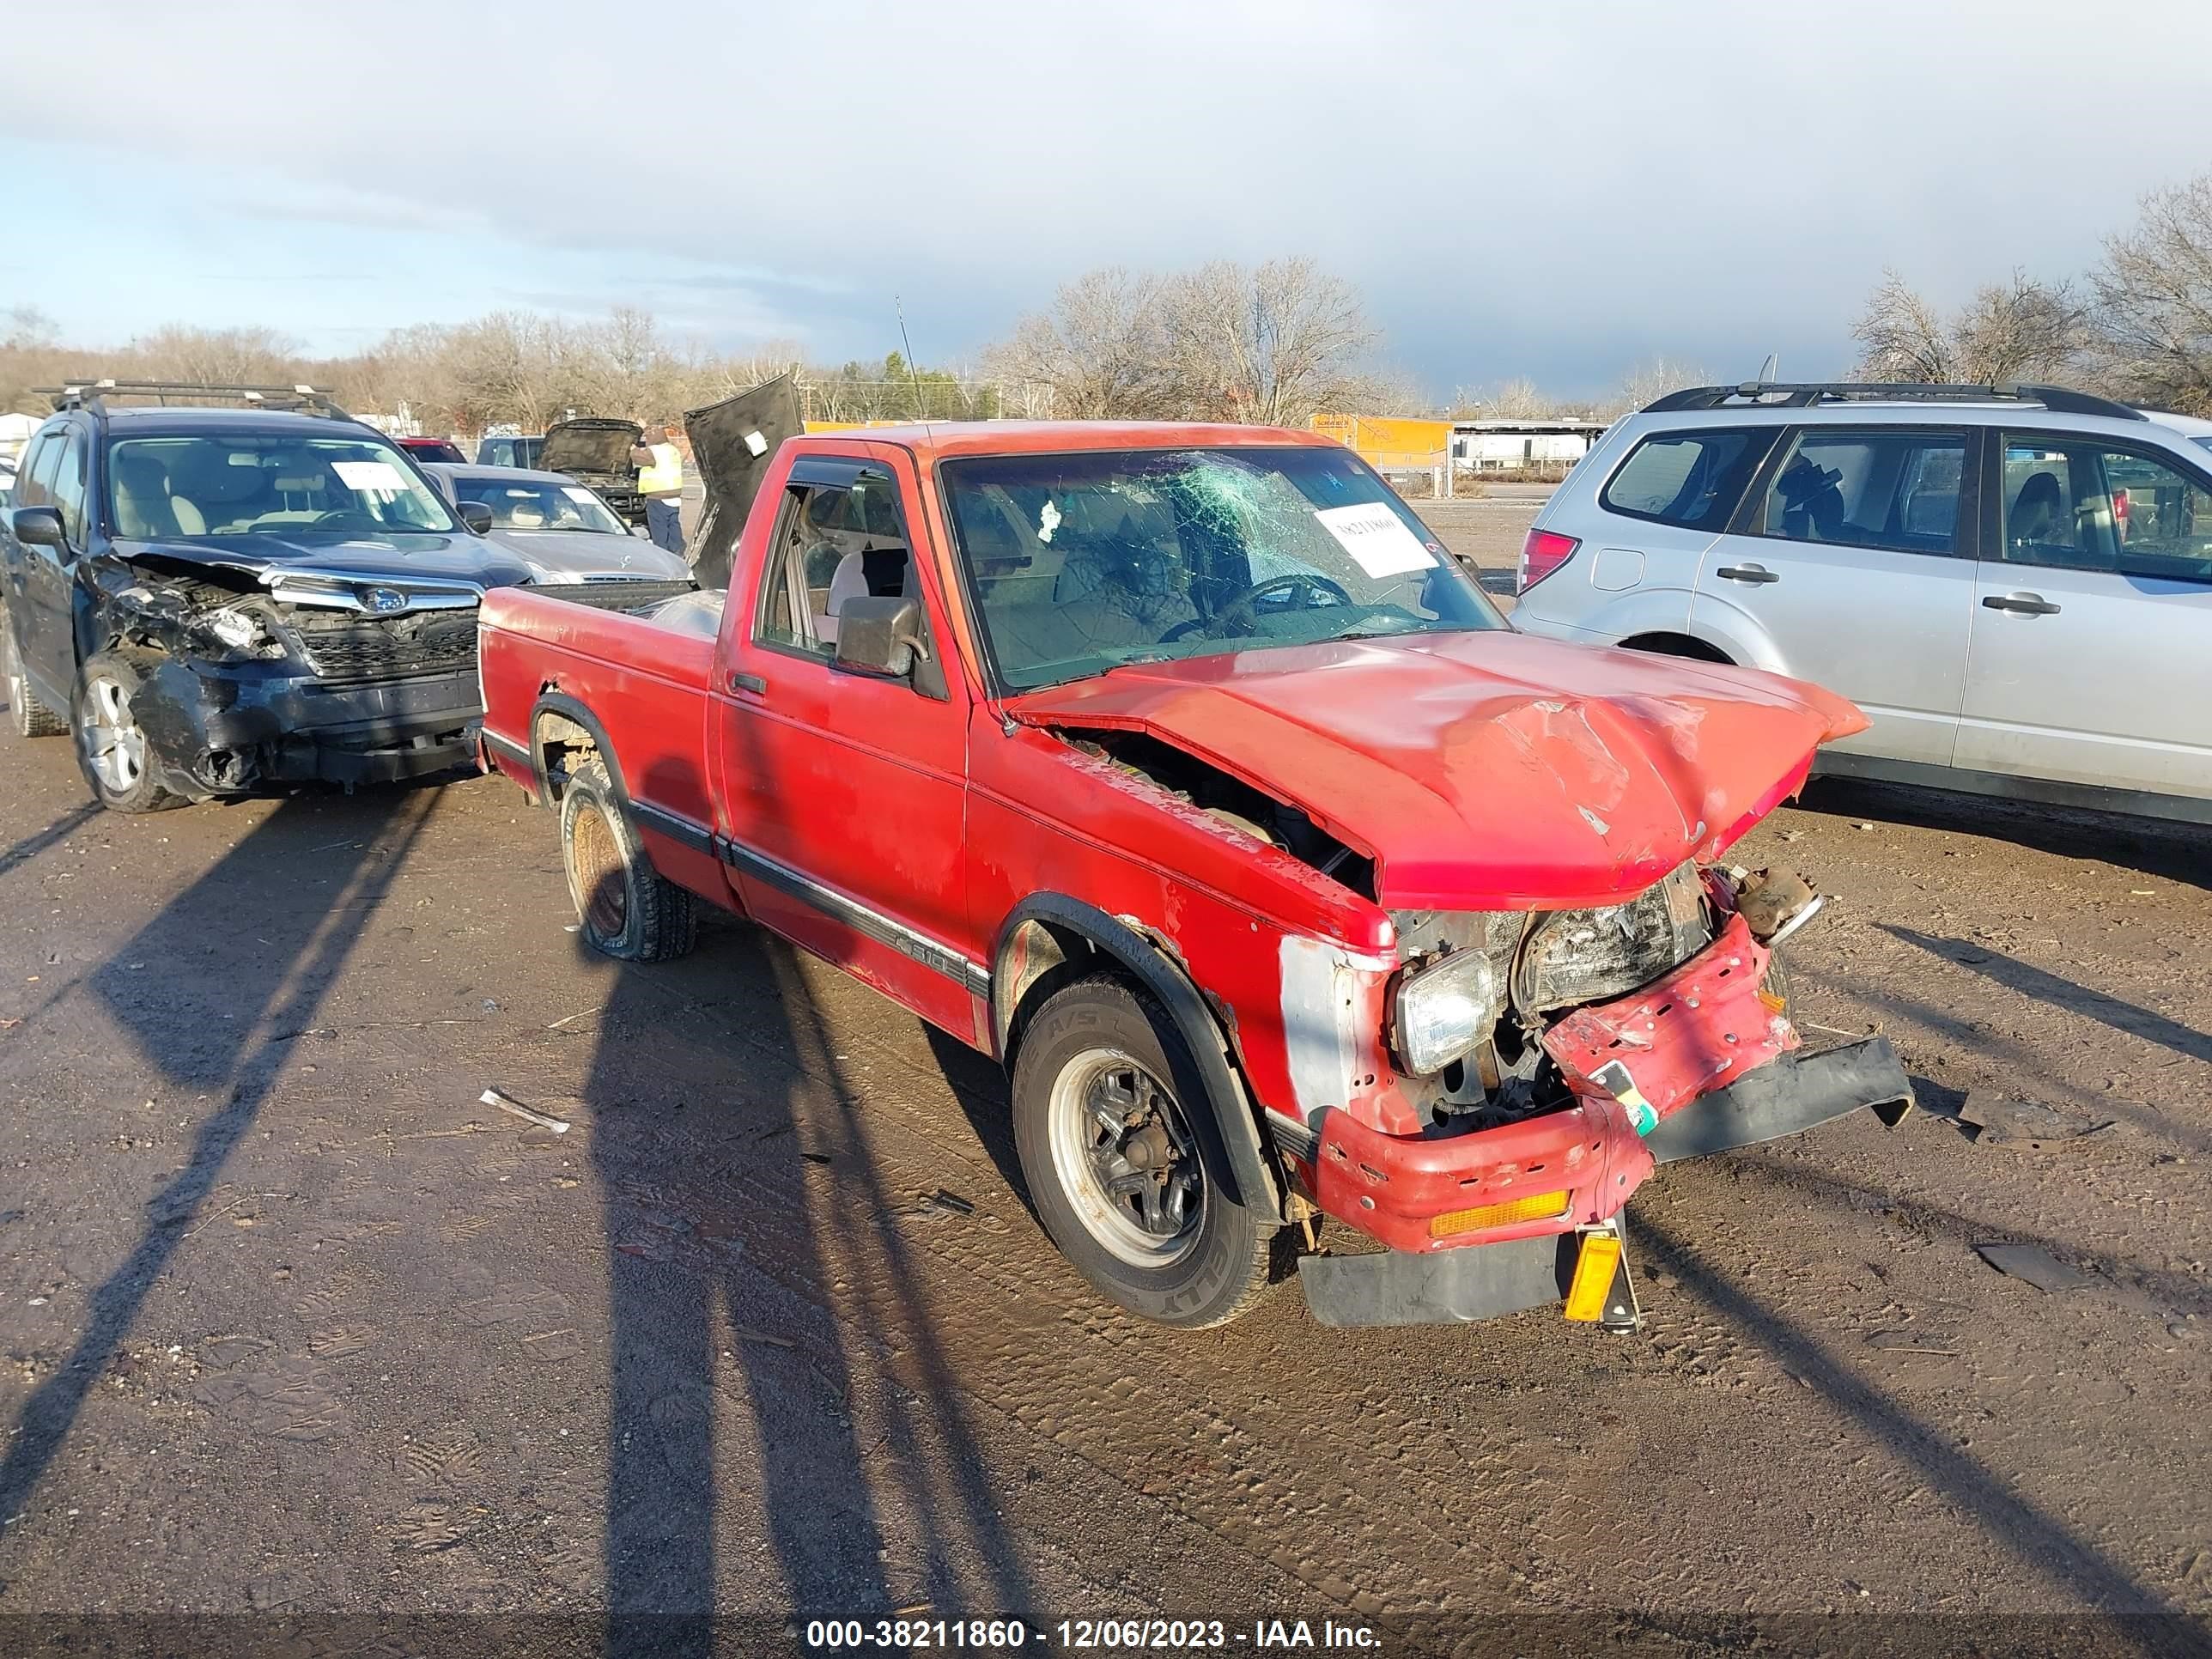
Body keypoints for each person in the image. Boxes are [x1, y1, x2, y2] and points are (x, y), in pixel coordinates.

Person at [632, 424, 686, 556]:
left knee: (659, 526)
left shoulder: (655, 450)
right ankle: (677, 549)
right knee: (673, 524)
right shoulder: (672, 449)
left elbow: (639, 458)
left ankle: (662, 552)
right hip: (674, 494)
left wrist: (633, 449)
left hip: (658, 495)